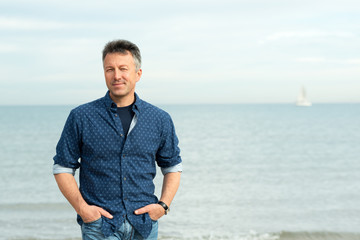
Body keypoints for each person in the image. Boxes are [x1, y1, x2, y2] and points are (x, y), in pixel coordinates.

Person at [53, 39, 182, 240]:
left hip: (145, 225)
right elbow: (62, 168)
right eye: (109, 69)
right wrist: (83, 209)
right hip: (100, 226)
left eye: (123, 68)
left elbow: (172, 167)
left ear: (138, 74)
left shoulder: (159, 119)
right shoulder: (81, 116)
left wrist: (163, 206)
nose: (117, 76)